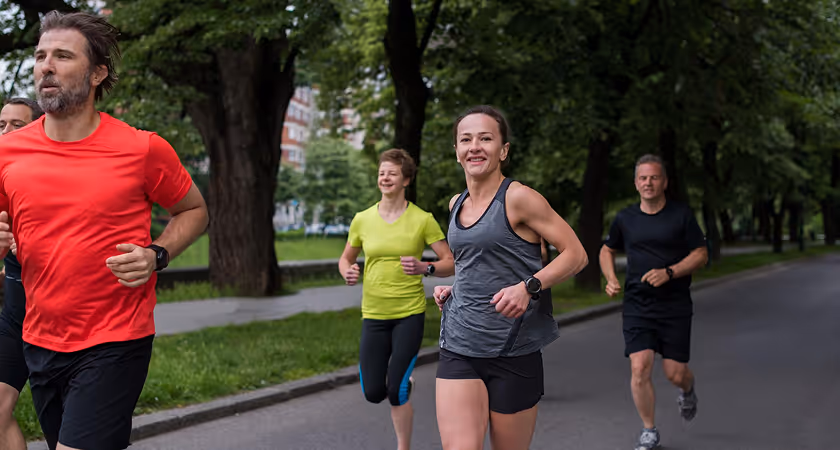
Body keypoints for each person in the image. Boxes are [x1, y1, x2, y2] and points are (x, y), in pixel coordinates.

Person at [0, 11, 209, 450]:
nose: (46, 66)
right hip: (40, 337)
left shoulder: (142, 148)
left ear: (98, 73)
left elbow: (193, 210)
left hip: (116, 339)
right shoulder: (8, 151)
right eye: (40, 56)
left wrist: (157, 254)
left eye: (62, 55)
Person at [433, 105, 588, 450]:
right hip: (460, 343)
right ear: (456, 152)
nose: (475, 146)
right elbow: (476, 263)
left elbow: (576, 254)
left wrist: (528, 287)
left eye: (485, 139)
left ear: (503, 150)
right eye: (466, 139)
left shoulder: (519, 198)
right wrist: (454, 289)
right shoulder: (455, 203)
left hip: (513, 350)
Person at [338, 148, 454, 450]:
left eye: (391, 172)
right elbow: (345, 259)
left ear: (406, 179)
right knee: (373, 392)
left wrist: (424, 267)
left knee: (396, 391)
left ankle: (403, 446)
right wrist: (348, 272)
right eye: (381, 172)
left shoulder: (422, 219)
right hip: (374, 314)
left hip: (409, 314)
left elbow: (449, 262)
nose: (384, 177)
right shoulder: (362, 219)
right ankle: (400, 384)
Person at [599, 154, 708, 450]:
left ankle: (688, 389)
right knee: (640, 367)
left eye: (654, 177)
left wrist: (670, 272)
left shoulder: (681, 215)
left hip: (674, 305)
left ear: (665, 182)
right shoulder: (625, 218)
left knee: (675, 373)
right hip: (638, 304)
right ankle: (649, 431)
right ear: (636, 183)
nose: (648, 182)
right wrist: (611, 279)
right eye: (643, 178)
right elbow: (606, 250)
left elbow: (701, 253)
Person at [0, 97, 44, 450]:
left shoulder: (53, 183)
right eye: (2, 125)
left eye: (17, 125)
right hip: (15, 321)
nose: (7, 133)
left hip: (60, 328)